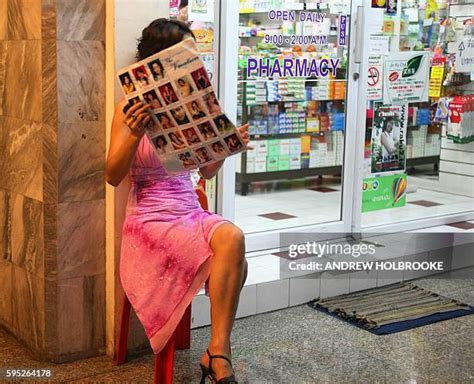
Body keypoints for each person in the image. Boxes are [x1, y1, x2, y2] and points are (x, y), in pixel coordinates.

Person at [107, 18, 249, 384]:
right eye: (185, 54)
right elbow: (112, 175)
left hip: (187, 207)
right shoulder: (129, 110)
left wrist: (227, 146)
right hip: (148, 218)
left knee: (232, 239)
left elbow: (208, 173)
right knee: (232, 255)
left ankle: (218, 350)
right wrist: (134, 133)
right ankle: (219, 360)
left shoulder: (193, 105)